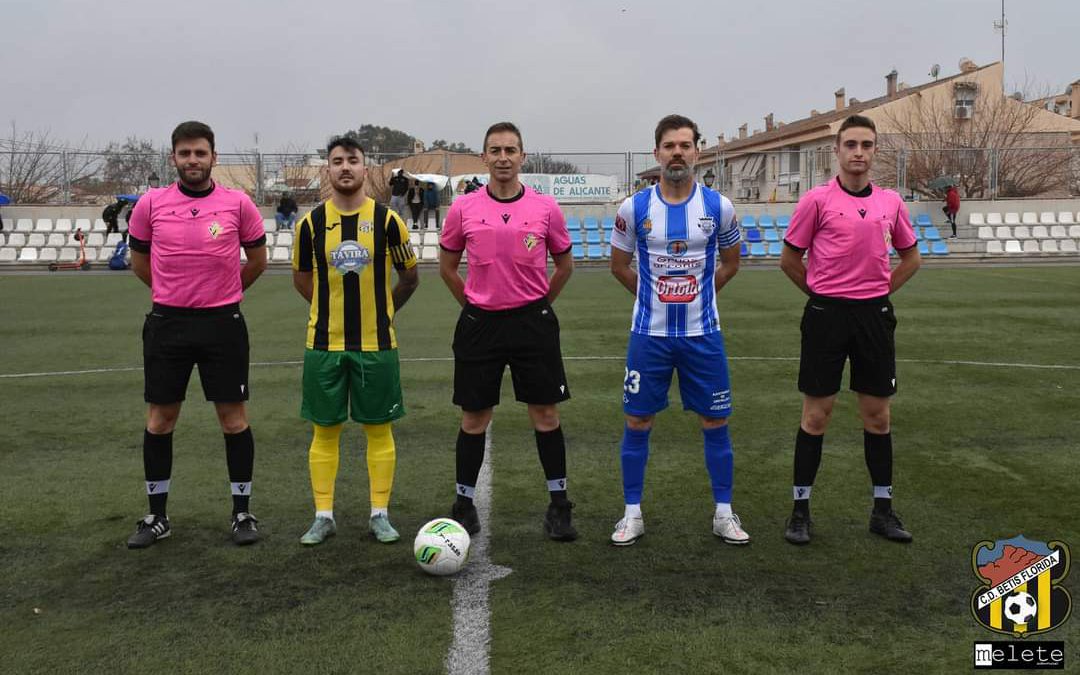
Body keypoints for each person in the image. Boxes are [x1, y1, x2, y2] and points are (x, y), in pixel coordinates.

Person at [779, 114, 921, 546]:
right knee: (816, 415)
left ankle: (882, 511)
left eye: (867, 145)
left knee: (877, 418)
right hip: (827, 317)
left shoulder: (891, 203)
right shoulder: (816, 201)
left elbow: (911, 258)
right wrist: (822, 295)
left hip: (873, 318)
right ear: (837, 151)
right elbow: (789, 259)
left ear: (875, 151)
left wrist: (877, 293)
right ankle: (800, 511)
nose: (859, 152)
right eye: (851, 145)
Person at [125, 120, 269, 549]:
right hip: (167, 324)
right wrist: (171, 293)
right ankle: (157, 516)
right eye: (185, 153)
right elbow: (139, 262)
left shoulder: (237, 203)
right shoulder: (150, 204)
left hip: (222, 324)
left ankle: (242, 512)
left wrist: (223, 293)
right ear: (174, 158)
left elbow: (258, 259)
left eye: (200, 153)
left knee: (233, 420)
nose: (193, 160)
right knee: (160, 420)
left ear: (213, 157)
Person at [607, 115, 749, 547]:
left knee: (715, 420)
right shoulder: (634, 208)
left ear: (697, 153)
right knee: (637, 420)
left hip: (702, 335)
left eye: (685, 146)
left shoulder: (718, 207)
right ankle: (632, 513)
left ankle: (723, 513)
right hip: (648, 335)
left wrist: (698, 295)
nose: (677, 153)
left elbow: (731, 263)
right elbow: (619, 266)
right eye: (669, 146)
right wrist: (652, 297)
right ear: (657, 153)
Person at [439, 121, 576, 541]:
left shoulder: (545, 207)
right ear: (484, 157)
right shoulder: (463, 208)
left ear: (522, 156)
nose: (502, 158)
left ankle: (559, 505)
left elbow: (565, 265)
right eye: (495, 150)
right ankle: (464, 505)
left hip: (532, 323)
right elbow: (446, 267)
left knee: (546, 415)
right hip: (480, 325)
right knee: (474, 418)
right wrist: (474, 306)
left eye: (510, 150)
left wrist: (539, 305)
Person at [291, 136, 419, 546]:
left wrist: (383, 311)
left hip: (376, 345)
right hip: (323, 346)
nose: (345, 167)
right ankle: (323, 515)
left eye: (353, 160)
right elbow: (302, 278)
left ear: (366, 168)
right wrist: (326, 308)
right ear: (327, 170)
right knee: (324, 431)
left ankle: (379, 514)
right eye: (337, 161)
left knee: (378, 430)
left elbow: (410, 277)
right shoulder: (309, 224)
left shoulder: (388, 221)